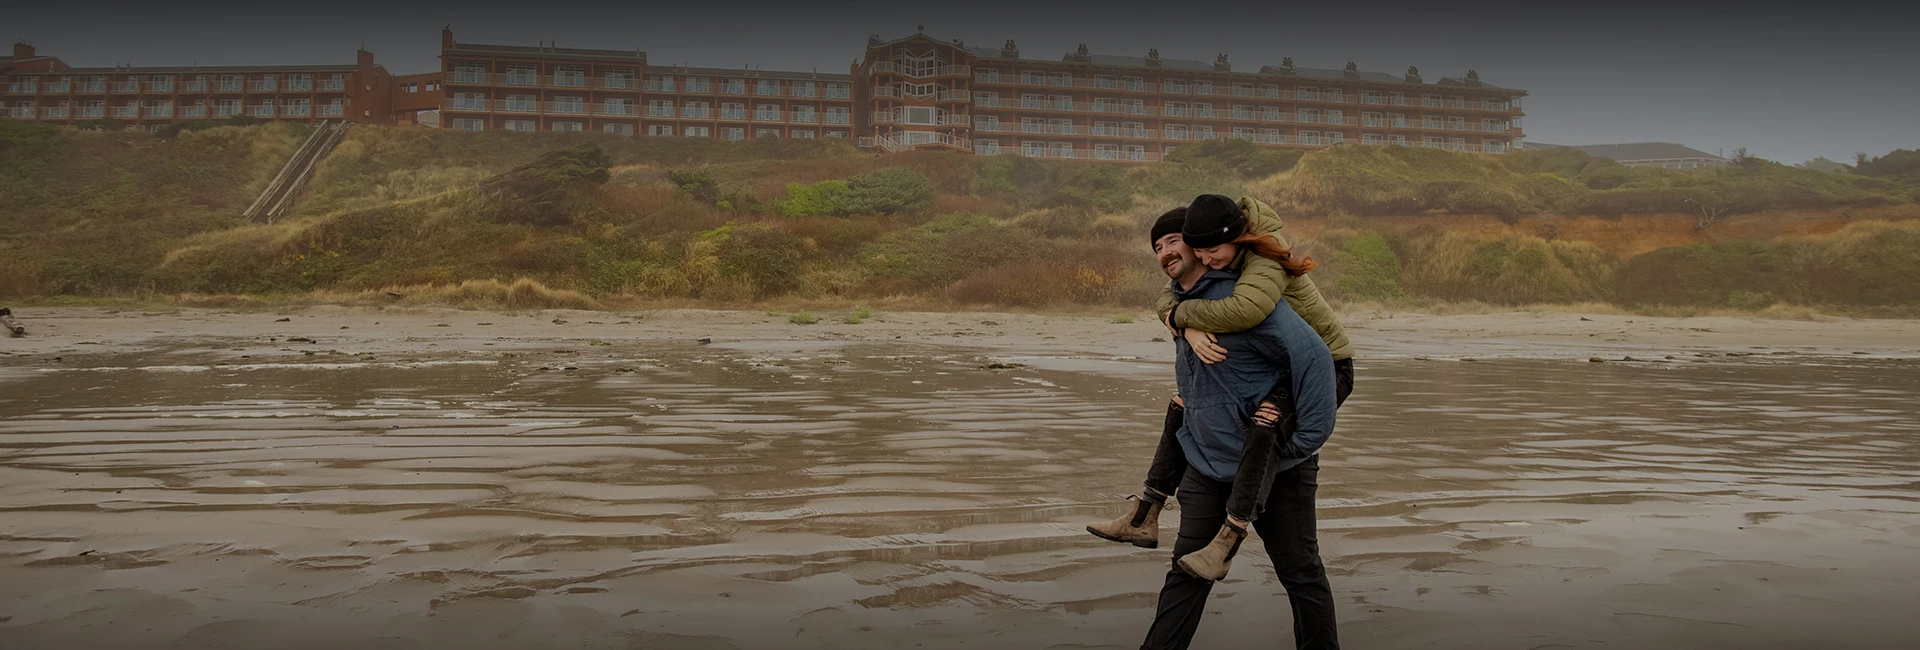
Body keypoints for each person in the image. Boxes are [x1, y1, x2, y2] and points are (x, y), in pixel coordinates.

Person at [1088, 195, 1355, 579]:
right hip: (1285, 363)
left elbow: (1247, 311)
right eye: (1200, 251)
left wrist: (1181, 319)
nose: (1207, 258)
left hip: (1328, 364)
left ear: (1236, 238)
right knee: (1183, 402)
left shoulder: (1261, 262)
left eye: (1211, 251)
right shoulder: (1221, 263)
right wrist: (1184, 324)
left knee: (1267, 423)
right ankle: (1145, 513)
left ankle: (1230, 538)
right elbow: (1169, 295)